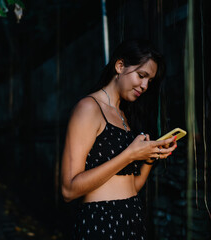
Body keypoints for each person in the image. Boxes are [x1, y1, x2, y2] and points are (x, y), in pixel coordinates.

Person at [61, 39, 177, 239]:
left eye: (150, 81)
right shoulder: (89, 108)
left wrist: (150, 157)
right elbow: (68, 189)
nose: (145, 85)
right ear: (120, 66)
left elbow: (131, 187)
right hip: (101, 221)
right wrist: (130, 154)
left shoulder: (123, 116)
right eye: (142, 76)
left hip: (132, 218)